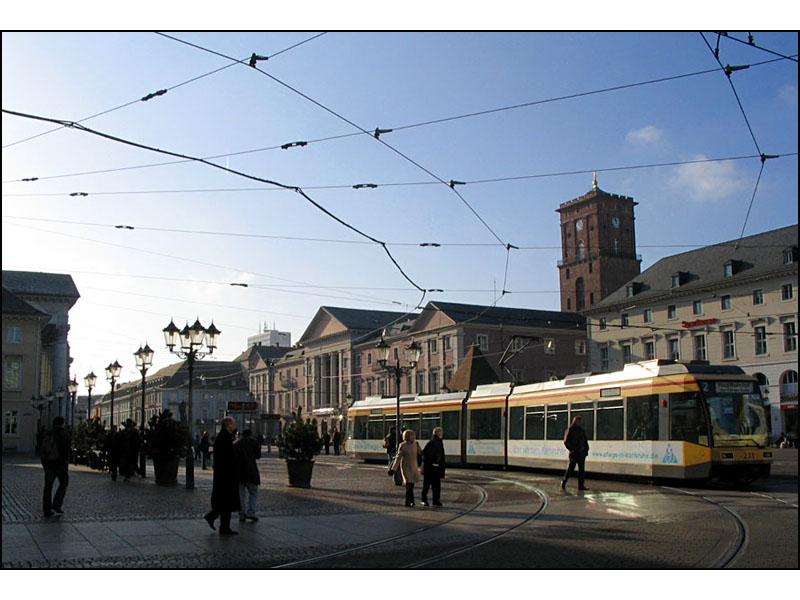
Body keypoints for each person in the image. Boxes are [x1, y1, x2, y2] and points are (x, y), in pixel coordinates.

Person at [204, 417, 241, 535]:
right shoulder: (224, 438)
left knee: (225, 502)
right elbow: (226, 458)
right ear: (228, 425)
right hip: (225, 475)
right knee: (226, 502)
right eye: (233, 423)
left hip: (224, 475)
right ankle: (223, 527)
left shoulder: (224, 437)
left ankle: (219, 522)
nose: (235, 426)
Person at [41, 416, 71, 517]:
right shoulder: (64, 434)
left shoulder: (47, 433)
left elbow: (42, 449)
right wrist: (65, 464)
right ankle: (57, 504)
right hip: (60, 464)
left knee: (48, 486)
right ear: (62, 423)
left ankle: (46, 509)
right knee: (64, 482)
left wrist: (45, 464)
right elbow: (66, 451)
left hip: (49, 464)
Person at [389, 429, 422, 507]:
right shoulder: (403, 445)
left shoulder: (416, 444)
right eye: (412, 435)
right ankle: (410, 501)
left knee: (411, 485)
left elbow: (421, 453)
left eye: (414, 435)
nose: (414, 437)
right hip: (406, 467)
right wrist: (393, 469)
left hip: (414, 467)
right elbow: (398, 458)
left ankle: (410, 501)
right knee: (408, 485)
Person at [234, 429, 262, 522]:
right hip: (251, 471)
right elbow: (258, 455)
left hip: (239, 472)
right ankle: (251, 512)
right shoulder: (254, 442)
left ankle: (241, 514)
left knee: (241, 495)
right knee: (253, 493)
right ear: (250, 434)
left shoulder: (236, 443)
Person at [561, 415, 590, 491]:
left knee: (581, 470)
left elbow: (585, 441)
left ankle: (581, 486)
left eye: (580, 421)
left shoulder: (581, 430)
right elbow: (566, 441)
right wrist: (572, 449)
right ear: (575, 421)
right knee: (571, 469)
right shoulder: (570, 429)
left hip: (581, 453)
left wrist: (586, 450)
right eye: (578, 421)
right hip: (574, 453)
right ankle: (564, 481)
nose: (580, 422)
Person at [421, 426, 446, 507]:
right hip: (431, 468)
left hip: (432, 468)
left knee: (430, 485)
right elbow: (426, 454)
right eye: (441, 432)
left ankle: (429, 500)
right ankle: (432, 500)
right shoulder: (434, 442)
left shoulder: (436, 442)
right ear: (438, 433)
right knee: (432, 485)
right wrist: (435, 462)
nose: (442, 433)